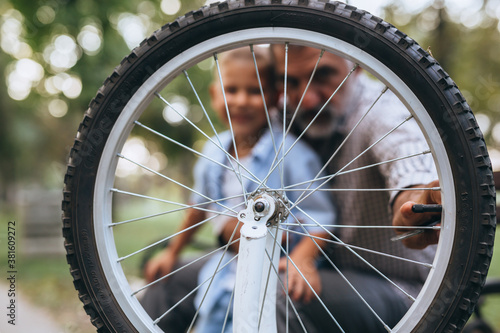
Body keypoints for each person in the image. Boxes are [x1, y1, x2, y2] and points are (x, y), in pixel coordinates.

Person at [141, 46, 336, 332]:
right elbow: (199, 206)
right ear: (214, 94)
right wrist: (172, 251)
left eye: (255, 91)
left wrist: (302, 260)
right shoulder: (214, 152)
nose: (242, 101)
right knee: (213, 318)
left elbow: (321, 219)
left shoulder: (292, 153)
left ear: (274, 97)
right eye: (231, 90)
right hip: (226, 267)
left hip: (276, 266)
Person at [270, 44, 442, 332]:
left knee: (274, 291)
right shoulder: (282, 117)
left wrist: (415, 198)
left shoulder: (381, 109)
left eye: (323, 76)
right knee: (175, 278)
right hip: (322, 272)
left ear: (358, 66)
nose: (308, 99)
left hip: (405, 290)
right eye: (290, 82)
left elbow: (405, 153)